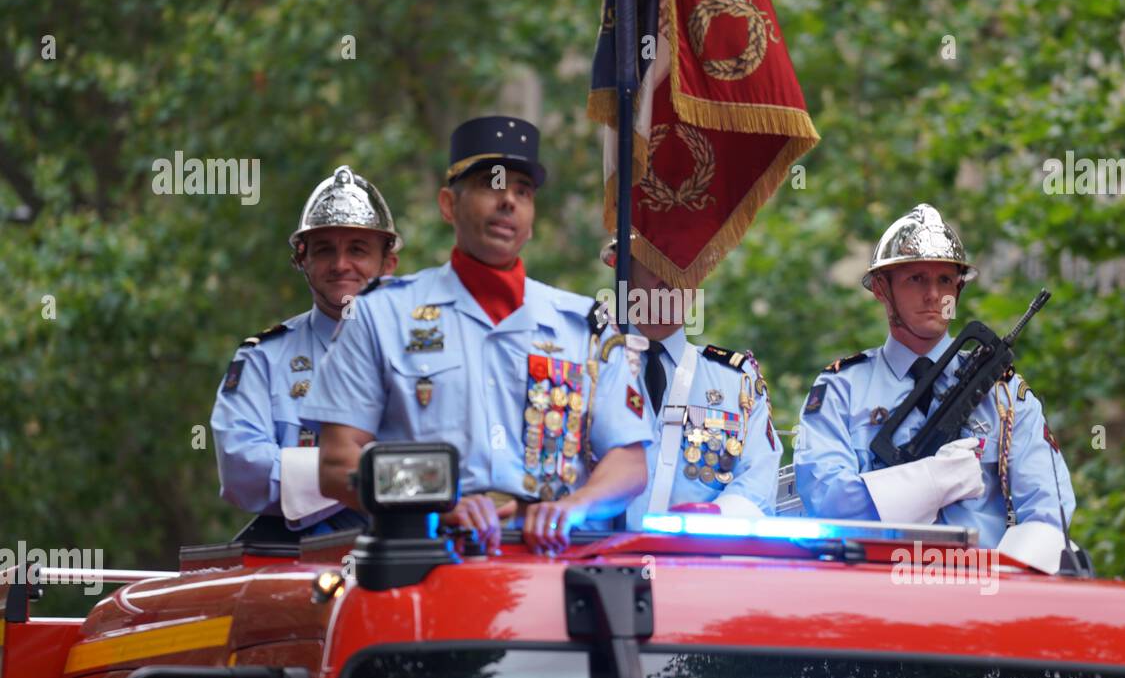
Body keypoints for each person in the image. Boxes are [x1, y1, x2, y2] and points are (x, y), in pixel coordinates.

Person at [300, 116, 652, 552]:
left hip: (554, 565)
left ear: (532, 217)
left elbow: (630, 462)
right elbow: (337, 463)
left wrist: (573, 507)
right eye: (491, 185)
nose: (509, 201)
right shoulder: (380, 315)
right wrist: (435, 504)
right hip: (427, 559)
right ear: (448, 205)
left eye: (522, 192)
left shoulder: (585, 325)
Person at [793, 203, 1076, 547]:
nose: (932, 294)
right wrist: (927, 482)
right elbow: (827, 503)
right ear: (882, 288)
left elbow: (1048, 510)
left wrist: (1010, 573)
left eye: (944, 279)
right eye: (916, 279)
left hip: (980, 586)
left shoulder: (1004, 394)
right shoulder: (841, 389)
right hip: (877, 587)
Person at [211, 166, 401, 534]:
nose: (341, 264)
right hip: (301, 564)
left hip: (418, 551)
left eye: (358, 249)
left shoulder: (427, 353)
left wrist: (311, 473)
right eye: (325, 250)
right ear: (303, 261)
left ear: (387, 263)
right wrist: (366, 477)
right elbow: (241, 467)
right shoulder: (262, 358)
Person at [600, 240, 781, 527]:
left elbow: (758, 481)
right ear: (625, 270)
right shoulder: (590, 364)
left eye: (686, 267)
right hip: (591, 558)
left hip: (696, 560)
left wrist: (713, 517)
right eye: (657, 265)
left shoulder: (737, 381)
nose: (672, 280)